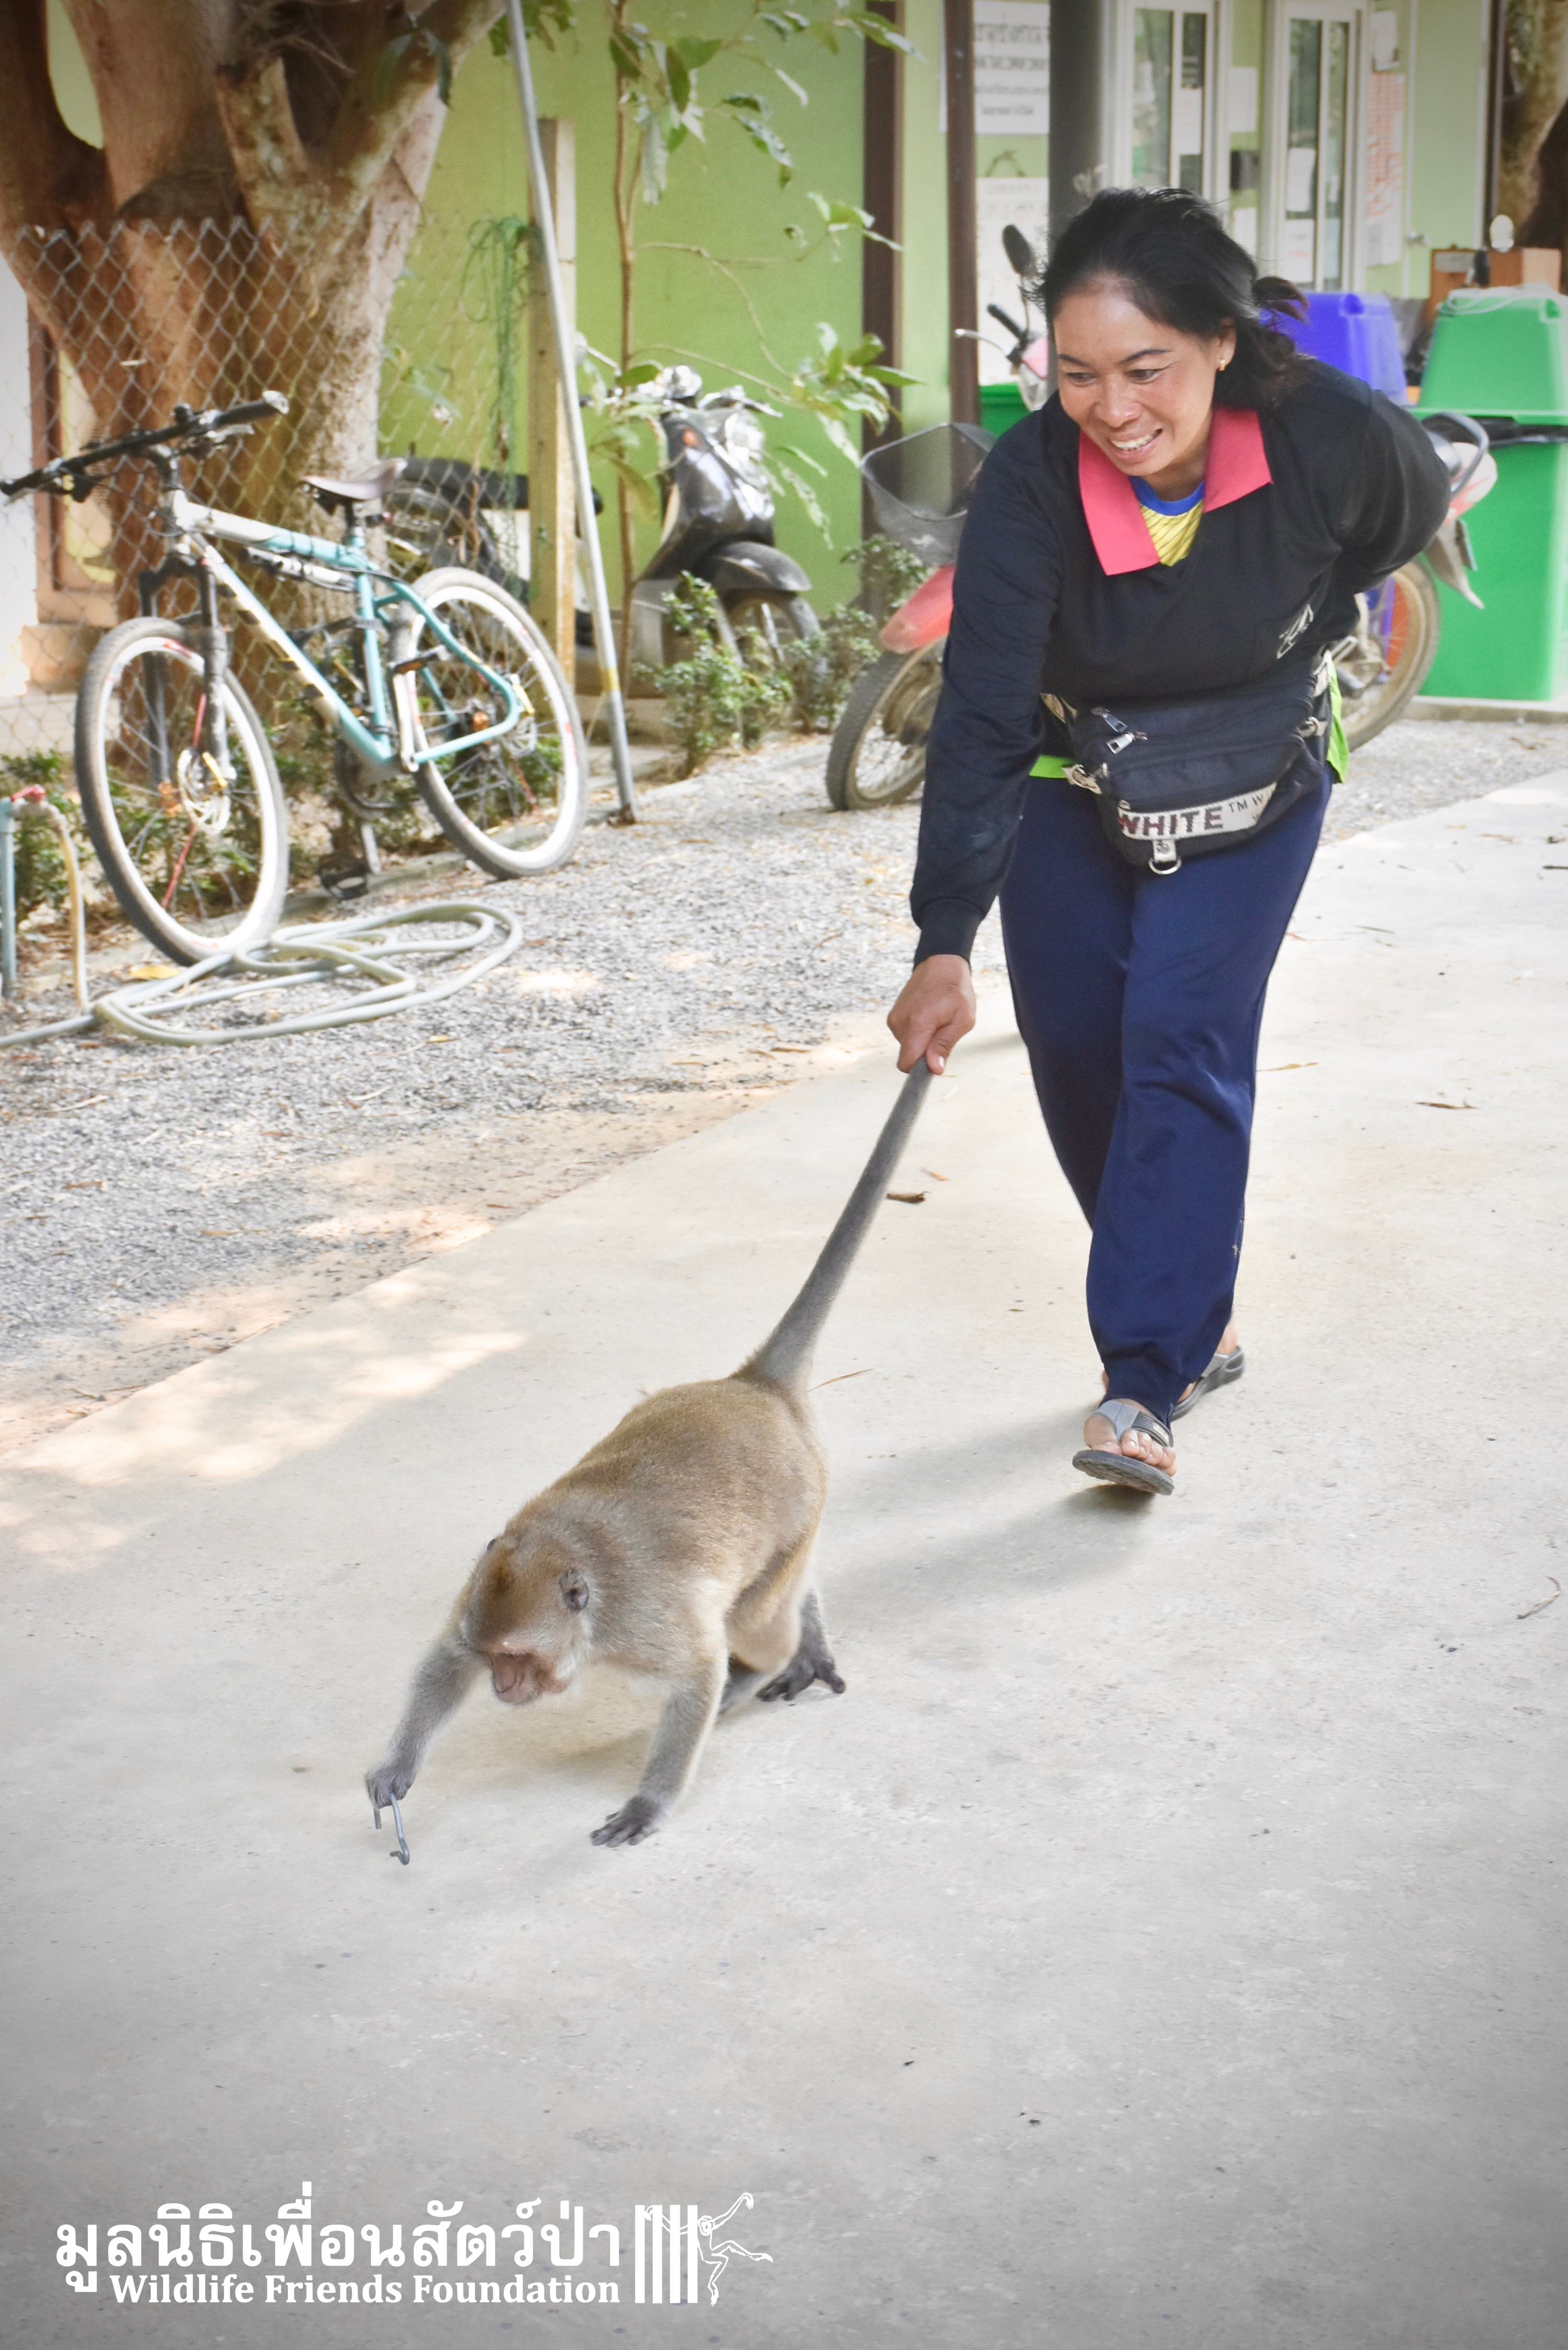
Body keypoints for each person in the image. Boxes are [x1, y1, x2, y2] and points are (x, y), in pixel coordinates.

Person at [887, 187, 1450, 1496]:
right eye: (1079, 374)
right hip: (1070, 771)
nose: (1113, 407)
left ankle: (1145, 1373)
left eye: (1146, 367)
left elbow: (1400, 521)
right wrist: (944, 939)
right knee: (1081, 1045)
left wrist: (1292, 626)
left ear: (1220, 341)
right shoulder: (1033, 480)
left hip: (1259, 774)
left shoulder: (1330, 435)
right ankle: (1196, 1302)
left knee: (1181, 1031)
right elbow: (982, 708)